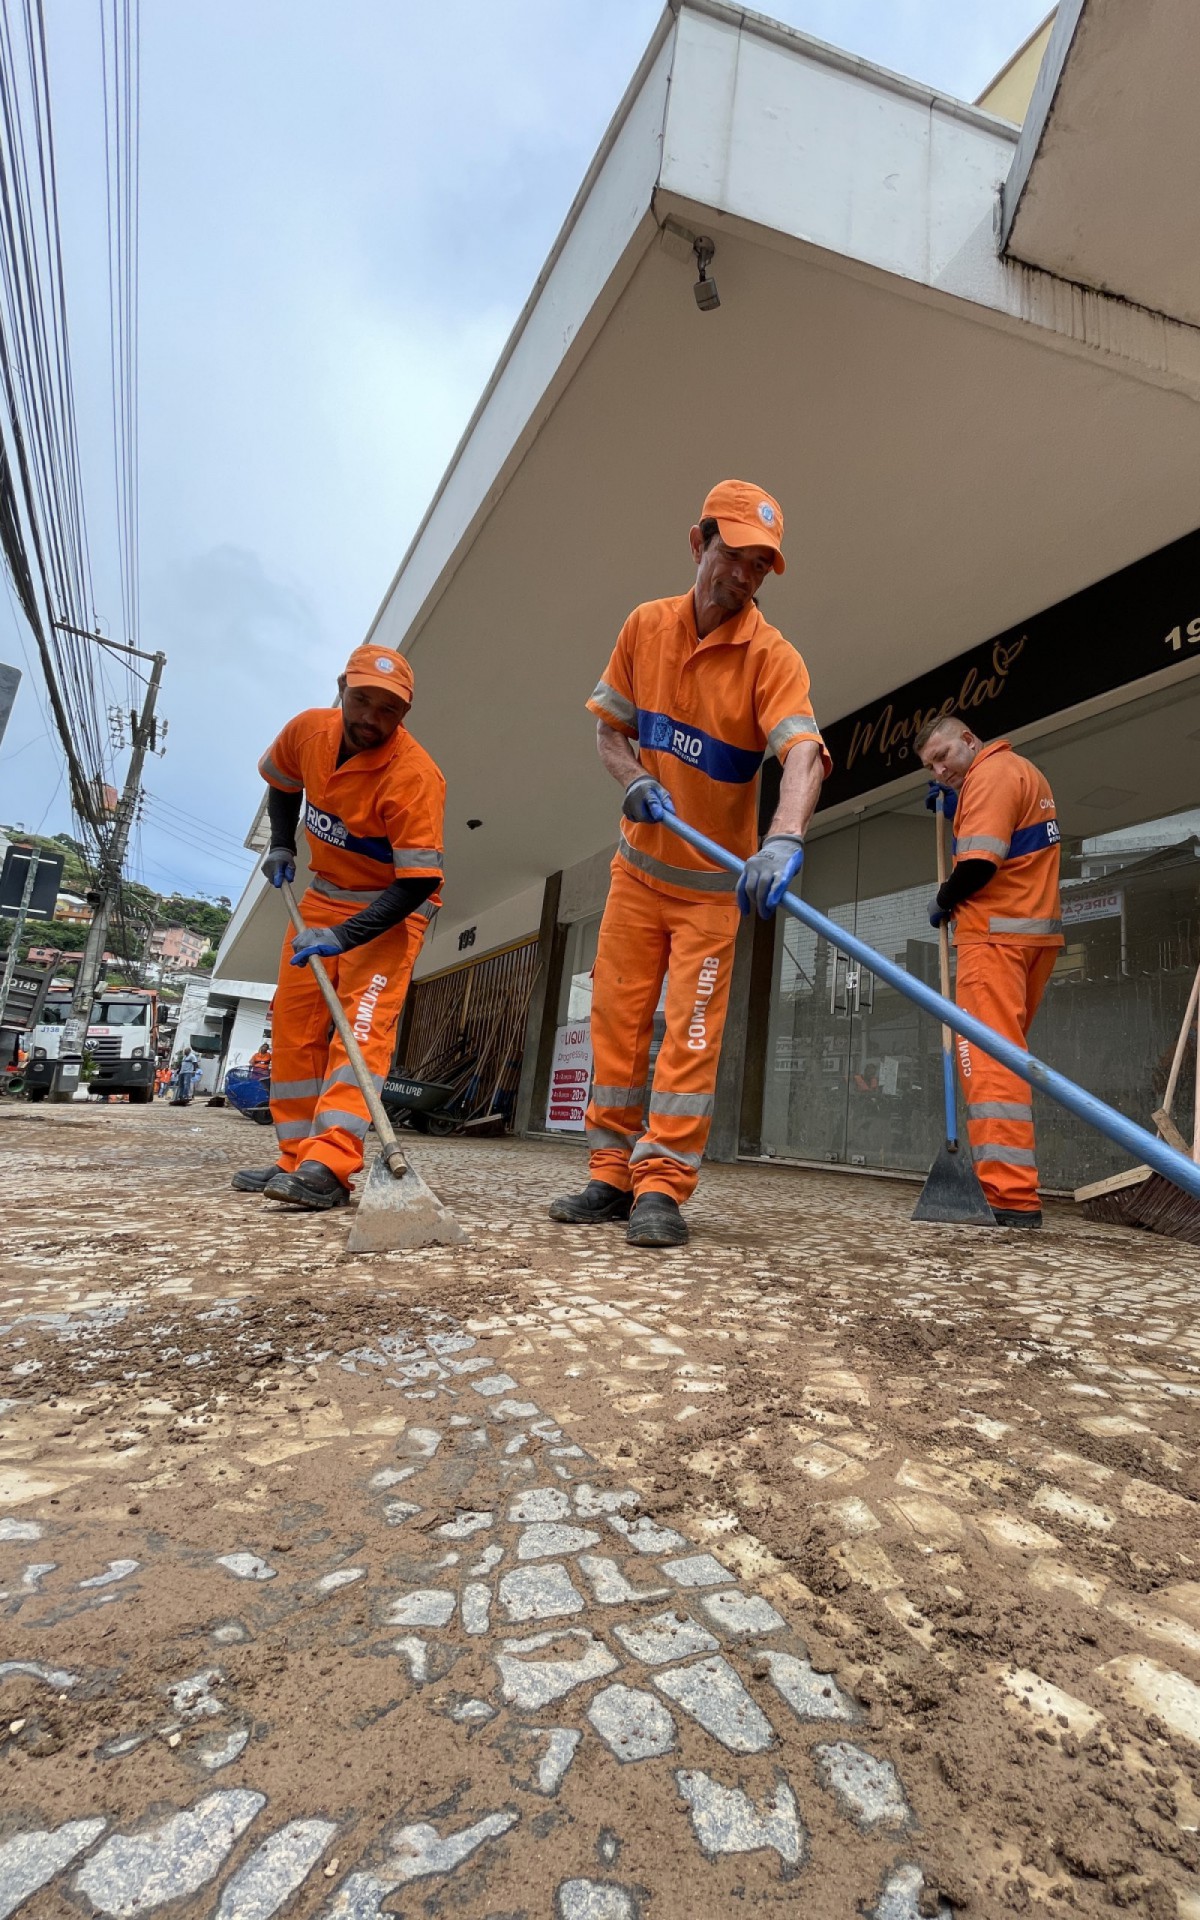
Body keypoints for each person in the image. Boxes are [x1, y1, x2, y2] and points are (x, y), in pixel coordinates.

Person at [549, 479, 830, 1248]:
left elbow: (803, 754)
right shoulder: (645, 627)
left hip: (710, 893)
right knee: (617, 1025)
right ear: (698, 542)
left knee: (691, 1036)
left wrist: (784, 837)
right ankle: (610, 1175)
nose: (744, 575)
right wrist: (631, 777)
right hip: (637, 877)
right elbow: (609, 731)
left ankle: (661, 1185)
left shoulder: (772, 657)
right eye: (734, 554)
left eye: (760, 565)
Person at [232, 643, 445, 1211]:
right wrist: (281, 844)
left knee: (361, 1031)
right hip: (323, 898)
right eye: (362, 700)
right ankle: (295, 1158)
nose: (372, 717)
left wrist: (345, 937)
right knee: (295, 1027)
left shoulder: (415, 777)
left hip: (391, 913)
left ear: (404, 715)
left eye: (388, 709)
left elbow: (418, 882)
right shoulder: (307, 731)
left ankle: (330, 1162)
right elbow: (283, 783)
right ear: (341, 690)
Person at [916, 715, 1063, 1229]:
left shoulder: (989, 775)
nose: (940, 771)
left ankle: (1009, 1193)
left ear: (969, 740)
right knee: (1007, 1057)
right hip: (1029, 935)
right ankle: (1009, 1185)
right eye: (931, 767)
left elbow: (979, 865)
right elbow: (1013, 841)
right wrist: (957, 806)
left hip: (994, 939)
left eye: (943, 757)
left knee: (989, 1063)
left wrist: (944, 899)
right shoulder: (1021, 772)